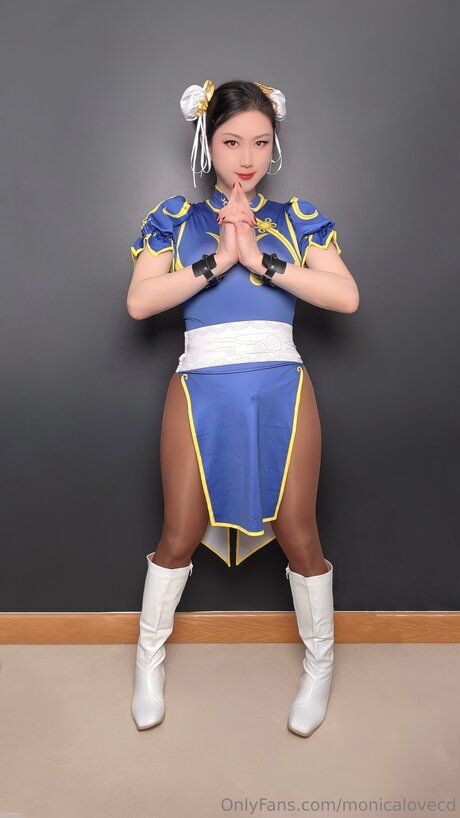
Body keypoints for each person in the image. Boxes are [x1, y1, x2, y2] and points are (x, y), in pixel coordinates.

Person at [127, 79, 359, 737]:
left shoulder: (295, 217)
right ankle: (148, 665)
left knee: (299, 531)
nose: (247, 157)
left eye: (260, 141)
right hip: (200, 382)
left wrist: (259, 258)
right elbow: (140, 303)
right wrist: (220, 259)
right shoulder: (176, 218)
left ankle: (319, 666)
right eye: (231, 142)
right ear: (209, 143)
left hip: (281, 381)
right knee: (178, 534)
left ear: (274, 143)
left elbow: (345, 297)